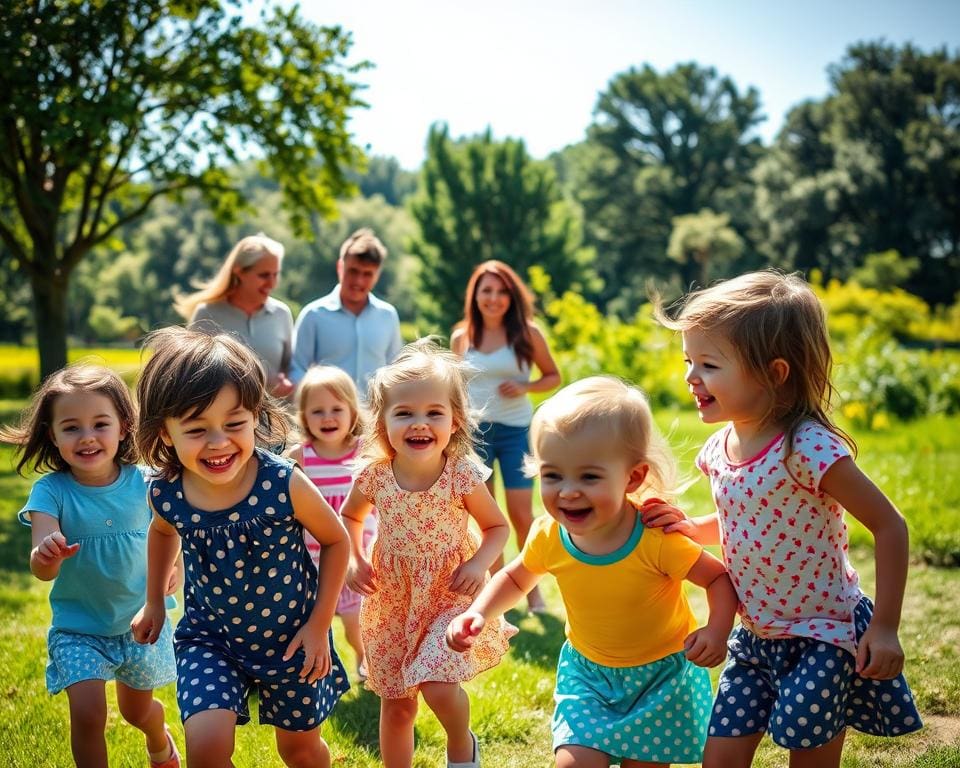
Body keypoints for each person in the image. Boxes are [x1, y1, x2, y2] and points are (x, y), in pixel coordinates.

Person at [647, 270, 922, 768]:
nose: (691, 377)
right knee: (720, 757)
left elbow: (889, 526)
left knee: (808, 753)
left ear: (775, 374)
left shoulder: (809, 448)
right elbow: (739, 520)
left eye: (708, 364)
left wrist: (884, 628)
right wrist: (691, 529)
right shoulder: (718, 448)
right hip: (754, 637)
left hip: (823, 633)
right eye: (689, 361)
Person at [447, 376, 738, 768]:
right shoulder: (550, 534)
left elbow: (717, 577)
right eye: (553, 475)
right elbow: (516, 577)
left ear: (631, 477)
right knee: (574, 763)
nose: (568, 491)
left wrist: (717, 630)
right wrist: (479, 612)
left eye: (589, 476)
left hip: (660, 679)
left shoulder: (655, 538)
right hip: (588, 675)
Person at [130, 327, 351, 768]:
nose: (218, 442)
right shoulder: (168, 492)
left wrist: (319, 624)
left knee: (301, 751)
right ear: (165, 433)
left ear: (256, 417)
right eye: (196, 429)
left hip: (293, 640)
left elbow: (335, 540)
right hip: (210, 639)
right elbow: (162, 531)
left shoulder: (281, 482)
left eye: (234, 424)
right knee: (207, 751)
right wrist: (155, 601)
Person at [339, 339, 517, 768]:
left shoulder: (461, 474)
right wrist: (354, 560)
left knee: (437, 683)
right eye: (405, 413)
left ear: (454, 421)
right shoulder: (376, 476)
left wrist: (478, 565)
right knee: (397, 704)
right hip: (393, 598)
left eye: (434, 413)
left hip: (448, 593)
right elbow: (349, 518)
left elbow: (497, 527)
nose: (420, 423)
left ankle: (461, 744)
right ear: (382, 424)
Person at [2, 365, 181, 768]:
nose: (87, 437)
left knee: (138, 712)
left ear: (124, 427)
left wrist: (177, 570)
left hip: (140, 623)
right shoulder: (51, 491)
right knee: (87, 714)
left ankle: (159, 739)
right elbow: (41, 568)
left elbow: (172, 532)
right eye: (71, 428)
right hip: (79, 629)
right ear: (52, 435)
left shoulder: (148, 482)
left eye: (100, 423)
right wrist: (46, 554)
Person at [451, 260, 561, 614]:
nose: (494, 299)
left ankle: (532, 594)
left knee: (520, 514)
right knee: (487, 518)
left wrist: (526, 385)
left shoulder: (528, 333)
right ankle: (496, 600)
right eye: (487, 291)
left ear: (511, 297)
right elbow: (453, 387)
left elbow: (553, 376)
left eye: (501, 292)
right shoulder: (461, 336)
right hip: (475, 435)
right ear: (475, 295)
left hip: (516, 432)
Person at [286, 364, 375, 682]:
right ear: (304, 416)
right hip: (312, 560)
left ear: (353, 412)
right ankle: (318, 671)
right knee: (313, 622)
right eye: (317, 411)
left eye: (337, 409)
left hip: (356, 558)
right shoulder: (301, 456)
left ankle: (366, 660)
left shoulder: (365, 452)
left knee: (356, 620)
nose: (328, 418)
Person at [175, 233, 295, 398]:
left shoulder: (282, 314)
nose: (272, 283)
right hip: (227, 421)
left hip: (274, 418)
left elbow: (289, 368)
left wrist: (285, 384)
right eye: (264, 275)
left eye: (276, 274)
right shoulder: (206, 314)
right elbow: (191, 376)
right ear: (239, 271)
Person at [291, 228, 403, 393]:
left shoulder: (388, 315)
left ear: (377, 275)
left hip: (374, 416)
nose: (358, 280)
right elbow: (297, 369)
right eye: (353, 271)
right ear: (340, 267)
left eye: (367, 274)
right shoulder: (313, 315)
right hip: (328, 416)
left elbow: (395, 369)